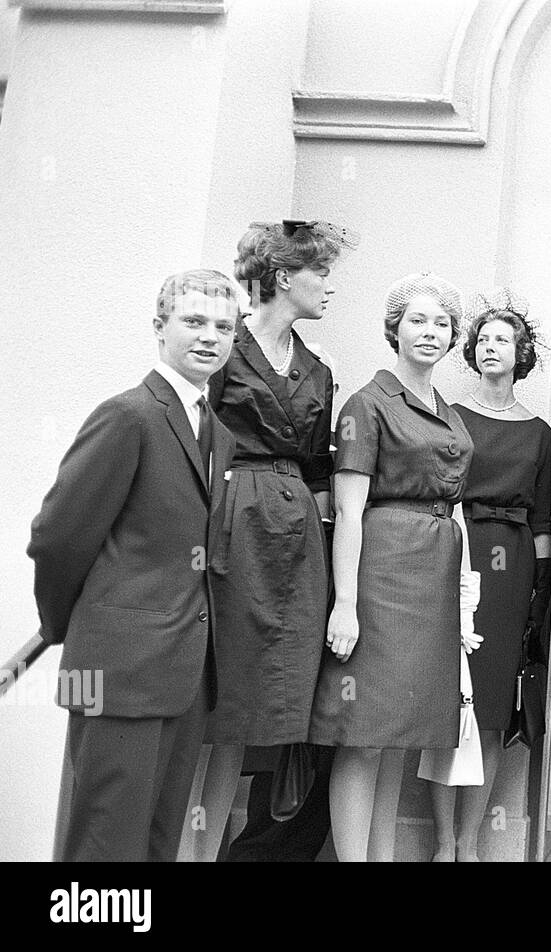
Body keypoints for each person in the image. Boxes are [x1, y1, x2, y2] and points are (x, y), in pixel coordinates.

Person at [30, 269, 238, 861]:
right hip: (113, 673)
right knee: (102, 843)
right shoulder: (128, 416)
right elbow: (57, 536)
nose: (209, 338)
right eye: (193, 322)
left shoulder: (217, 433)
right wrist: (66, 625)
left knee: (154, 843)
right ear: (159, 327)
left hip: (185, 675)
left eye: (223, 327)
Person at [181, 219, 353, 863]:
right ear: (286, 277)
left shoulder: (318, 367)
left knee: (260, 707)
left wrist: (331, 577)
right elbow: (194, 447)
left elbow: (318, 470)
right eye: (322, 274)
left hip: (297, 539)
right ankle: (185, 853)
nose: (329, 288)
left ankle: (225, 854)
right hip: (231, 525)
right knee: (218, 702)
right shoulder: (226, 346)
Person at [308, 272, 481, 862]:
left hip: (433, 576)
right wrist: (346, 604)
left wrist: (463, 598)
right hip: (382, 573)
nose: (431, 332)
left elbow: (455, 508)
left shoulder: (447, 411)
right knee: (363, 735)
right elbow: (349, 510)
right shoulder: (367, 403)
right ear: (395, 329)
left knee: (399, 736)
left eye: (441, 323)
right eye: (418, 320)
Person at [432, 287, 551, 862]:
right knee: (449, 699)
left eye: (501, 339)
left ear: (521, 352)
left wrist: (542, 595)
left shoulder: (539, 430)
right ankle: (440, 843)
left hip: (513, 569)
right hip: (457, 550)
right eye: (481, 339)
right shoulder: (447, 416)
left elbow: (545, 520)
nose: (489, 347)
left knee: (491, 706)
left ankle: (471, 843)